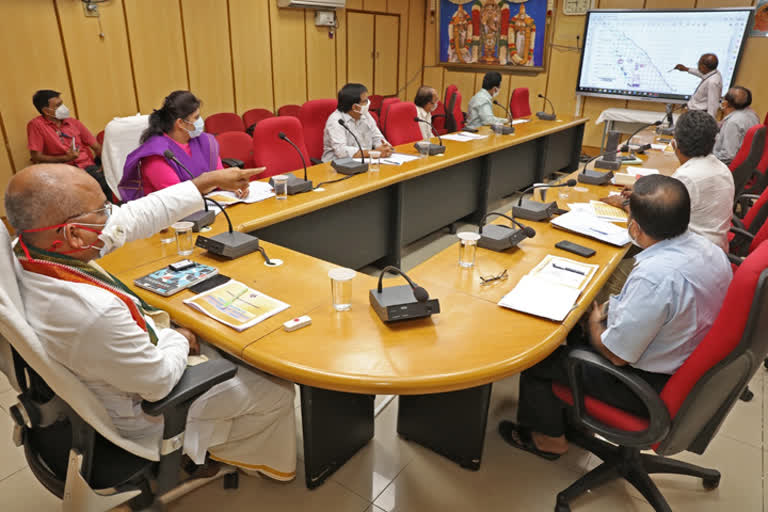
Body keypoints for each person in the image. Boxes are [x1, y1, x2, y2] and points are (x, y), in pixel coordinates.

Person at [5, 163, 298, 481]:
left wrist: (204, 182)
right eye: (103, 210)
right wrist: (180, 337)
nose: (111, 216)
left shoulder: (31, 251)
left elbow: (130, 218)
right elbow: (158, 382)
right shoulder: (91, 311)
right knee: (278, 391)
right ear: (73, 233)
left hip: (112, 369)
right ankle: (254, 462)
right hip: (144, 410)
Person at [499, 174, 732, 460]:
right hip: (686, 363)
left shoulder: (656, 276)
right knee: (577, 327)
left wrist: (596, 323)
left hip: (645, 384)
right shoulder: (712, 250)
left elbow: (615, 355)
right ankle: (573, 419)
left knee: (541, 359)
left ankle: (549, 440)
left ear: (634, 226)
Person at [604, 110, 734, 253]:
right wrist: (645, 194)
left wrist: (625, 204)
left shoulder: (686, 177)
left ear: (674, 144)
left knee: (611, 251)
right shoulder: (722, 168)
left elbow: (652, 230)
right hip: (713, 250)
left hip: (687, 255)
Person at [118, 90, 248, 201]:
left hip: (209, 207)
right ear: (180, 123)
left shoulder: (204, 141)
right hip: (171, 220)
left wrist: (233, 187)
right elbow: (179, 196)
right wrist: (215, 182)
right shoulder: (155, 153)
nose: (200, 122)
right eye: (196, 118)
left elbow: (220, 176)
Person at [27, 90, 109, 197]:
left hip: (87, 168)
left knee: (107, 187)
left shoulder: (73, 122)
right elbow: (36, 156)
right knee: (78, 198)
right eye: (58, 105)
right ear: (46, 111)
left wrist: (105, 165)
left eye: (62, 103)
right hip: (62, 173)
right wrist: (65, 158)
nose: (63, 107)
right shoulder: (36, 125)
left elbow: (97, 147)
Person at [322, 83, 393, 163]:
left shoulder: (365, 115)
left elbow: (377, 137)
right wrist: (373, 153)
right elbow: (341, 152)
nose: (368, 103)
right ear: (355, 107)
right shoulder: (336, 121)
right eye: (365, 101)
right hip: (337, 166)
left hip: (364, 162)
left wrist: (385, 148)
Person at [713, 86, 760, 164]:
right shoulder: (752, 114)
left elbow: (728, 156)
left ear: (726, 103)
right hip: (747, 163)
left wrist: (708, 157)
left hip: (725, 165)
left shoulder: (732, 123)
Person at [674, 54, 722, 118]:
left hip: (699, 115)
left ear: (704, 67)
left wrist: (709, 122)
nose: (698, 66)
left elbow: (713, 105)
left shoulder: (713, 82)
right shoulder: (713, 72)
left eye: (699, 64)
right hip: (693, 112)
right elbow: (701, 73)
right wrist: (686, 69)